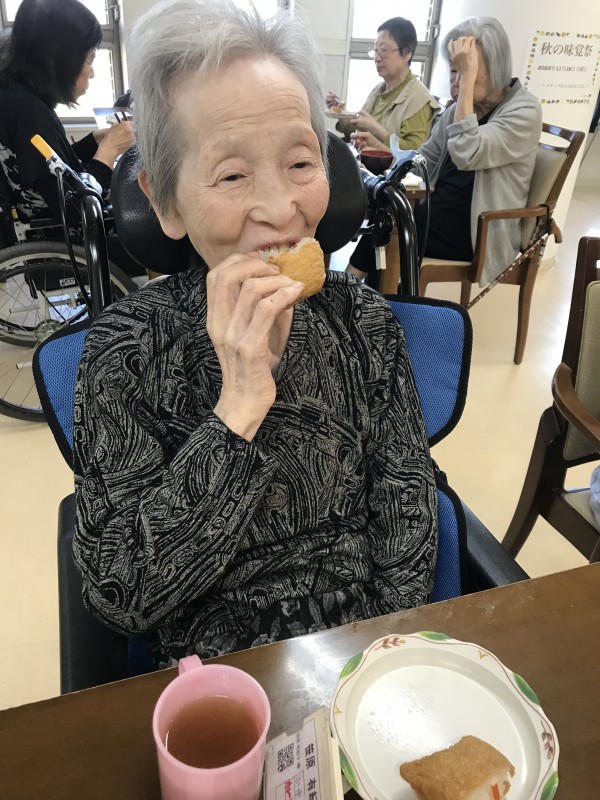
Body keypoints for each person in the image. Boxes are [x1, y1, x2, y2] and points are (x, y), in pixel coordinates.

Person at [72, 0, 438, 666]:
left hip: (363, 660)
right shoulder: (125, 347)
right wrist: (238, 406)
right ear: (165, 201)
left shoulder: (363, 323)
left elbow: (407, 524)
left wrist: (383, 669)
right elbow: (119, 595)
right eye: (233, 175)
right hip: (216, 683)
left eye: (300, 163)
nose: (280, 209)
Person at [349, 16, 543, 287]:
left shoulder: (525, 111)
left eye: (465, 71)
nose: (456, 82)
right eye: (453, 70)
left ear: (495, 67)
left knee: (395, 224)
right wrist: (387, 161)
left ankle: (349, 292)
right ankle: (363, 296)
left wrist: (465, 88)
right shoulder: (459, 110)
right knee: (387, 213)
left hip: (478, 231)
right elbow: (423, 161)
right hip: (437, 208)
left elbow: (467, 151)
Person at [0, 0, 138, 271]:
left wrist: (94, 142)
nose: (93, 72)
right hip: (70, 239)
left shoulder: (15, 100)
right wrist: (109, 151)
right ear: (58, 59)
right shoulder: (30, 113)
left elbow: (51, 169)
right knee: (159, 227)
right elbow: (74, 209)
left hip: (42, 229)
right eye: (89, 60)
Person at [327, 17, 439, 152]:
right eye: (376, 50)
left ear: (407, 53)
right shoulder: (379, 90)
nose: (377, 58)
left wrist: (375, 128)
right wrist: (341, 114)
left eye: (384, 50)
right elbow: (358, 131)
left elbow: (413, 153)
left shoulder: (418, 99)